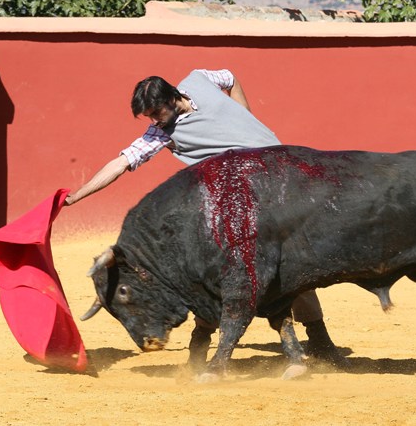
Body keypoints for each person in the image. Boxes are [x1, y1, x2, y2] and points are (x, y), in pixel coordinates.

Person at [65, 68, 347, 367]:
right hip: (240, 203)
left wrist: (244, 113)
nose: (154, 121)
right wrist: (75, 196)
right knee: (216, 270)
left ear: (175, 97)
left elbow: (230, 76)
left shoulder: (199, 80)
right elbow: (120, 163)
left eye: (156, 112)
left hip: (280, 179)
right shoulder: (160, 133)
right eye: (149, 116)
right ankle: (203, 344)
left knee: (293, 265)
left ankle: (318, 338)